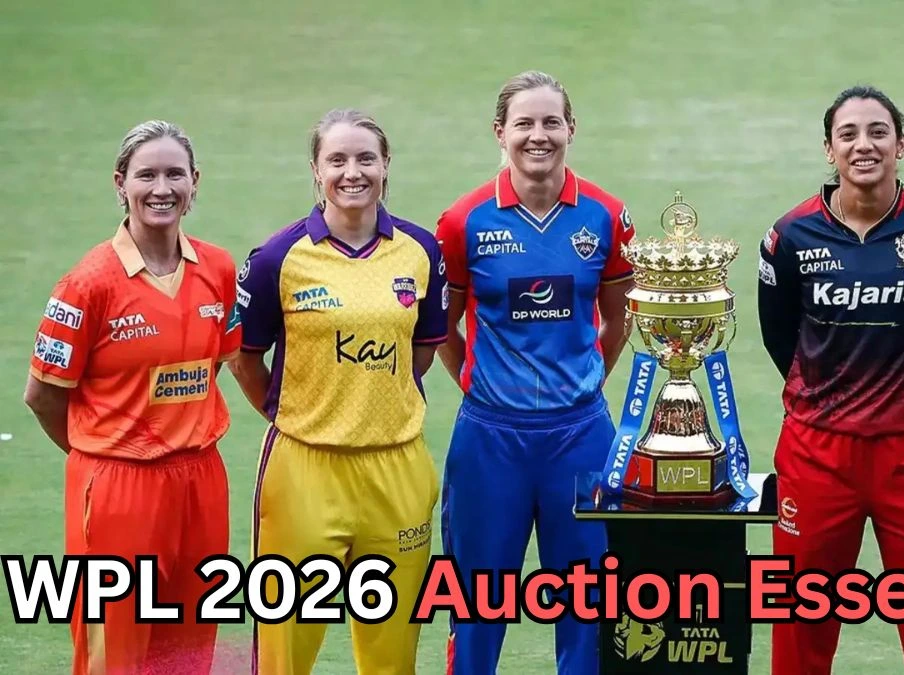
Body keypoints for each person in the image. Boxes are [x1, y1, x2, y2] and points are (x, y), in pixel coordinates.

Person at [757, 85, 904, 675]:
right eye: (848, 134)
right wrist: (829, 397)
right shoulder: (790, 236)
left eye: (878, 132)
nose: (864, 145)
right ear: (828, 149)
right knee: (801, 613)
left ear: (900, 144)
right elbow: (781, 337)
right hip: (817, 451)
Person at [227, 108, 448, 675]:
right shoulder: (277, 258)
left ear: (386, 166)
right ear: (315, 171)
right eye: (338, 160)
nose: (353, 172)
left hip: (396, 469)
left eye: (366, 159)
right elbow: (244, 357)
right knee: (286, 649)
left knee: (393, 652)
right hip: (303, 470)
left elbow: (422, 350)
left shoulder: (421, 251)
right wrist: (291, 412)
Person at [435, 70, 635, 675]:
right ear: (500, 133)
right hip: (488, 439)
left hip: (580, 437)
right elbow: (444, 328)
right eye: (524, 123)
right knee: (476, 603)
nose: (538, 136)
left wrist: (585, 386)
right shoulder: (461, 222)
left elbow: (618, 317)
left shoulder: (606, 216)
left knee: (589, 602)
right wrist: (481, 387)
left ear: (571, 129)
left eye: (551, 122)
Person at [23, 120, 241, 674]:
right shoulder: (88, 283)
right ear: (121, 183)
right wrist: (99, 455)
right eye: (146, 175)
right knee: (113, 651)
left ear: (196, 183)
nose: (161, 188)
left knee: (192, 638)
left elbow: (214, 361)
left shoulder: (217, 268)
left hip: (200, 477)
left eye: (175, 174)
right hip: (119, 483)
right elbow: (43, 396)